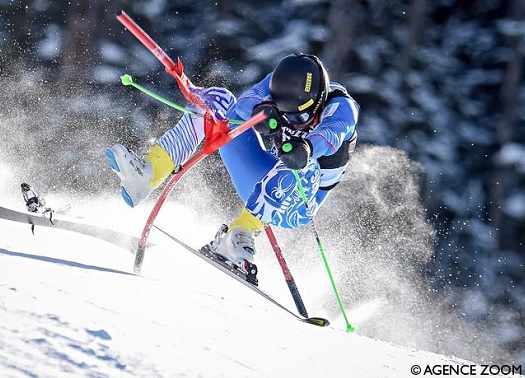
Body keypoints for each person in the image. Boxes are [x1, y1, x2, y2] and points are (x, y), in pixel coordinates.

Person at [105, 53, 359, 283]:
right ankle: (149, 173)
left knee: (301, 164)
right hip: (260, 175)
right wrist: (262, 110)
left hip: (296, 202)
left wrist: (307, 148)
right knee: (218, 101)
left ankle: (239, 236)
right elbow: (246, 102)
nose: (294, 123)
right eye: (288, 116)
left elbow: (331, 134)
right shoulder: (279, 83)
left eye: (299, 118)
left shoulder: (342, 107)